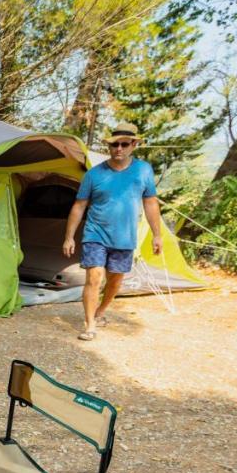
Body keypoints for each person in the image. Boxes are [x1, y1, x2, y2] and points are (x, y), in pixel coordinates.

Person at [62, 121, 164, 341]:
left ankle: (100, 312)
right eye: (114, 145)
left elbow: (151, 203)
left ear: (133, 145)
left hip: (124, 237)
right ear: (109, 146)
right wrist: (69, 237)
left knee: (115, 280)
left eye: (124, 144)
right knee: (94, 277)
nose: (119, 149)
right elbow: (79, 205)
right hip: (95, 233)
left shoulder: (143, 170)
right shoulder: (94, 174)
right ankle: (90, 325)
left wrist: (157, 235)